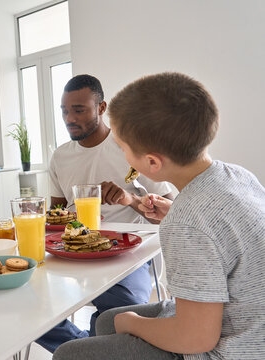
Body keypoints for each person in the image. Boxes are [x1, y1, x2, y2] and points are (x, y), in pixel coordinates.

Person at [53, 72, 265, 359]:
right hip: (240, 317)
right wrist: (172, 212)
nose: (122, 153)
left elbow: (195, 338)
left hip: (229, 348)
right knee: (105, 321)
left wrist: (133, 323)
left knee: (69, 354)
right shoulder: (237, 176)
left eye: (124, 147)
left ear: (151, 163)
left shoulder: (187, 221)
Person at [37, 74, 174, 353]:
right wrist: (62, 220)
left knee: (118, 314)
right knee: (31, 310)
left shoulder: (129, 147)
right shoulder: (60, 157)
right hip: (73, 251)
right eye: (64, 110)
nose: (69, 118)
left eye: (79, 109)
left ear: (101, 108)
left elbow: (170, 211)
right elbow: (56, 215)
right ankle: (85, 349)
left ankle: (83, 350)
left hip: (126, 252)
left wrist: (130, 199)